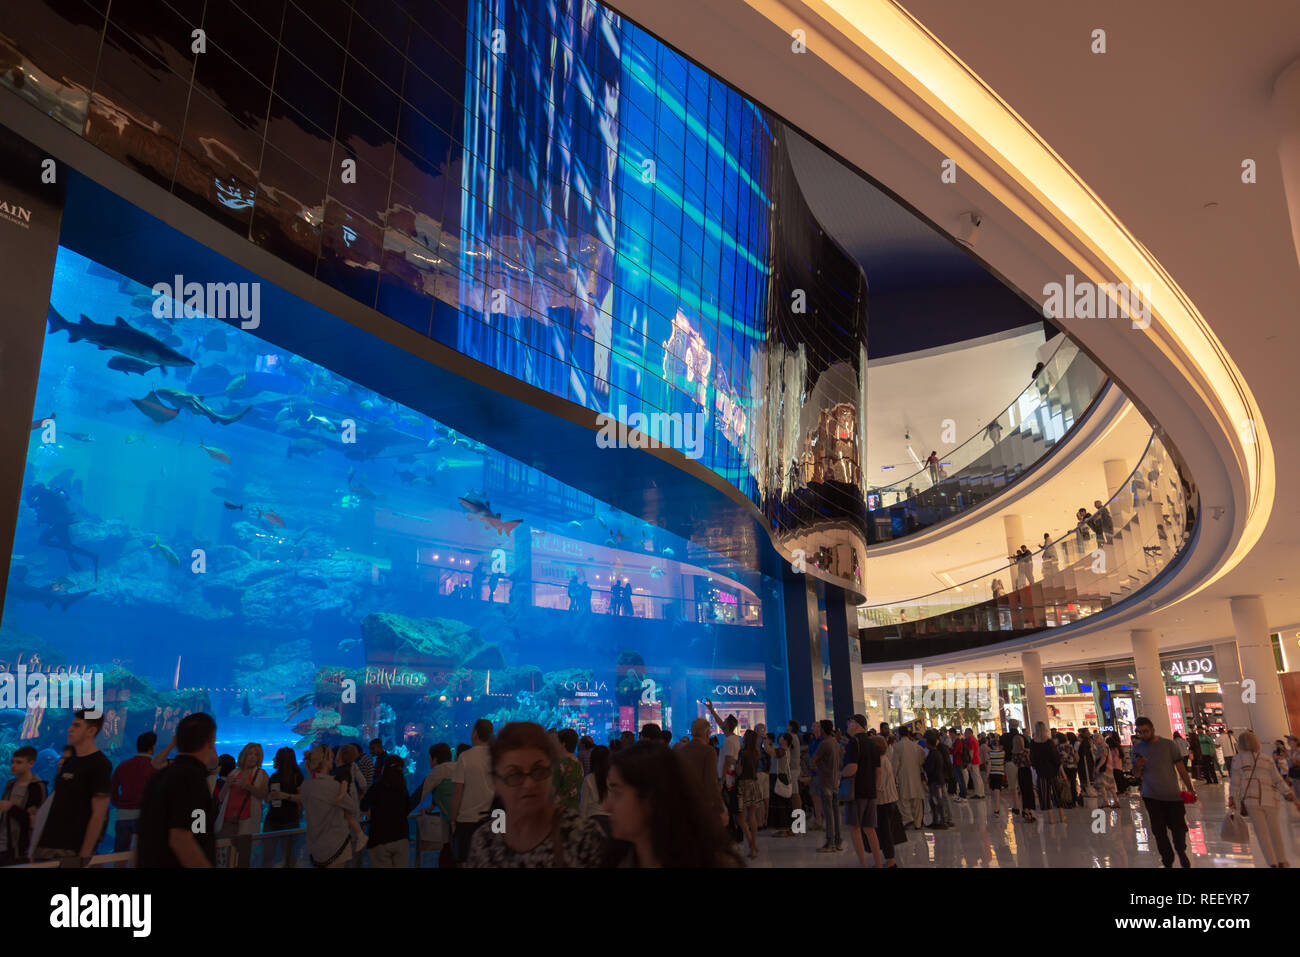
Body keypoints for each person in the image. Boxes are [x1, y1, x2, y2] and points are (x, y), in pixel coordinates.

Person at [466, 722, 607, 867]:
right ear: (496, 781)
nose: (529, 784)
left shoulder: (582, 837)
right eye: (515, 774)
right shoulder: (484, 843)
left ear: (552, 773)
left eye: (538, 771)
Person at [605, 741, 742, 867]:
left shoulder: (713, 862)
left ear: (650, 796)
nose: (608, 806)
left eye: (618, 793)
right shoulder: (613, 858)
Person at [135, 712, 218, 867]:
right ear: (211, 741)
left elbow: (141, 836)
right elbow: (183, 837)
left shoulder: (158, 777)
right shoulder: (193, 779)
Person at [35, 710, 112, 862]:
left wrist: (84, 855)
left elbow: (99, 814)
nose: (70, 729)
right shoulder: (68, 762)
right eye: (72, 724)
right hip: (46, 846)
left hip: (71, 850)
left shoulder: (100, 765)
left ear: (91, 731)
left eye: (77, 725)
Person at [1131, 716, 1196, 868]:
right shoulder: (1137, 748)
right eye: (1140, 732)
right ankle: (1167, 858)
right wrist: (1138, 766)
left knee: (1178, 828)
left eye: (1145, 731)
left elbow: (1180, 767)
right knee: (1158, 830)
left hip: (1172, 795)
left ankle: (1181, 850)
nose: (1143, 735)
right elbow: (1135, 775)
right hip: (1151, 796)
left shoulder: (1168, 745)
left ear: (1152, 729)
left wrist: (1190, 788)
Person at [1229, 731, 1296, 867]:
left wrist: (1232, 798)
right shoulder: (1266, 759)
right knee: (1275, 831)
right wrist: (1290, 794)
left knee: (1262, 834)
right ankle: (1282, 860)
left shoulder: (1238, 759)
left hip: (1252, 801)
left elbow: (1235, 782)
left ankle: (1272, 863)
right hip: (1272, 800)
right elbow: (1278, 780)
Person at [300, 744, 359, 868]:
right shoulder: (333, 786)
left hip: (315, 844)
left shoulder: (306, 785)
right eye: (330, 758)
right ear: (325, 761)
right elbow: (352, 807)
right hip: (335, 844)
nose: (333, 760)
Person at [841, 715, 885, 868]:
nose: (847, 725)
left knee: (855, 829)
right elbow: (878, 771)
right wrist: (876, 788)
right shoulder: (873, 744)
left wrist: (839, 775)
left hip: (856, 791)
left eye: (850, 722)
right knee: (870, 829)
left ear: (856, 724)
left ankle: (864, 865)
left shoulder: (854, 742)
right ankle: (878, 864)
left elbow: (852, 768)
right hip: (870, 791)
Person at [449, 718, 494, 864]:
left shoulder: (465, 757)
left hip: (468, 819)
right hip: (495, 819)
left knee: (465, 861)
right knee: (492, 860)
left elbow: (457, 792)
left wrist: (453, 819)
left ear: (474, 733)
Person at [217, 742, 267, 868]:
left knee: (243, 856)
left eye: (256, 754)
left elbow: (264, 795)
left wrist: (248, 786)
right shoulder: (234, 772)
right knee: (225, 855)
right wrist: (227, 784)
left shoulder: (261, 774)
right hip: (228, 820)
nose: (252, 757)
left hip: (247, 820)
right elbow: (221, 798)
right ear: (244, 755)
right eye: (250, 753)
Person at [108, 731, 157, 853]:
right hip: (145, 816)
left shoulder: (123, 765)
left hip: (123, 815)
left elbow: (112, 788)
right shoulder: (155, 767)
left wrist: (118, 803)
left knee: (120, 854)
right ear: (152, 748)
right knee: (143, 853)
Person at [361, 755, 412, 866]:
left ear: (385, 768)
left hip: (380, 837)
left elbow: (364, 804)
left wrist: (369, 812)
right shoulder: (402, 787)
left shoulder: (378, 785)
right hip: (401, 837)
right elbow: (408, 807)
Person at [675, 718, 726, 828]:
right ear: (707, 733)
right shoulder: (708, 751)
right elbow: (711, 782)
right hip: (702, 804)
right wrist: (720, 809)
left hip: (684, 802)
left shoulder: (681, 751)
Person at [0, 745, 46, 865]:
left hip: (21, 850)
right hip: (3, 844)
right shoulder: (10, 784)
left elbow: (34, 821)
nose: (13, 766)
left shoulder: (36, 787)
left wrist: (11, 808)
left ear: (31, 763)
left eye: (19, 762)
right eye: (13, 762)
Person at [264, 746, 304, 867]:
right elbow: (267, 798)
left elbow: (302, 797)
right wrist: (269, 798)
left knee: (288, 854)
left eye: (276, 757)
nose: (273, 759)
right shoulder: (274, 776)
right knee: (268, 854)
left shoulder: (297, 776)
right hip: (272, 818)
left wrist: (285, 795)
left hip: (289, 819)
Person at [870, 735, 900, 867]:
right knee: (885, 831)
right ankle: (889, 858)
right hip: (889, 800)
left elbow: (879, 785)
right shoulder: (885, 759)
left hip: (883, 802)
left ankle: (890, 860)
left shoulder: (880, 762)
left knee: (885, 832)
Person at [813, 719, 843, 851]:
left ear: (823, 730)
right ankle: (838, 841)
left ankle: (830, 842)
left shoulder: (824, 743)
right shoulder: (837, 743)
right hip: (835, 780)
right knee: (836, 812)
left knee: (828, 813)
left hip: (825, 781)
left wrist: (820, 767)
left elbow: (813, 761)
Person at [735, 730, 764, 859]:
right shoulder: (756, 753)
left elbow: (739, 771)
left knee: (741, 817)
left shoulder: (743, 753)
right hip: (754, 783)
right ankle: (754, 843)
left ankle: (751, 845)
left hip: (743, 785)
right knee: (752, 816)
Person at [892, 727, 927, 829]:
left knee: (903, 800)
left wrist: (893, 777)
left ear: (899, 734)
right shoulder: (916, 746)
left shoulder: (897, 746)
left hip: (903, 777)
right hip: (916, 775)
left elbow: (895, 764)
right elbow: (923, 758)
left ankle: (907, 819)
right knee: (917, 801)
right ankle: (918, 823)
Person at [921, 730, 952, 828]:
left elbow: (945, 764)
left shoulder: (938, 750)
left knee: (939, 800)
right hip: (939, 778)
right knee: (938, 800)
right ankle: (940, 820)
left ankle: (944, 820)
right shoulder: (936, 751)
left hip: (937, 779)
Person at [579, 745, 612, 833]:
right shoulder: (613, 778)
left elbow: (583, 805)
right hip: (610, 821)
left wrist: (582, 826)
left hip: (593, 821)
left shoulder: (589, 779)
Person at [553, 728, 583, 812]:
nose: (555, 745)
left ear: (563, 744)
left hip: (559, 812)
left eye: (557, 742)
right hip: (574, 810)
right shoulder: (579, 764)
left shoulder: (560, 764)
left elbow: (552, 790)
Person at [1010, 734, 1036, 823]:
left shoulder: (1013, 753)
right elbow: (1030, 762)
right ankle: (1028, 811)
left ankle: (1025, 810)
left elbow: (1015, 763)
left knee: (1023, 792)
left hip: (1020, 772)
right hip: (1027, 772)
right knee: (1029, 792)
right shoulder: (1026, 752)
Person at [985, 735, 1006, 815]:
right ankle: (997, 808)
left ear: (992, 745)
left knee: (993, 790)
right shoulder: (1003, 753)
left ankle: (995, 807)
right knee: (998, 789)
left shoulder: (989, 754)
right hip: (1000, 773)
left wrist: (987, 776)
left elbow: (989, 765)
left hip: (992, 773)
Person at [1059, 732, 1080, 807]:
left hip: (1065, 767)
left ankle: (1068, 800)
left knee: (1066, 785)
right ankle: (1074, 800)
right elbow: (1076, 756)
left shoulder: (1059, 748)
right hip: (1073, 767)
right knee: (1073, 784)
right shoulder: (1070, 746)